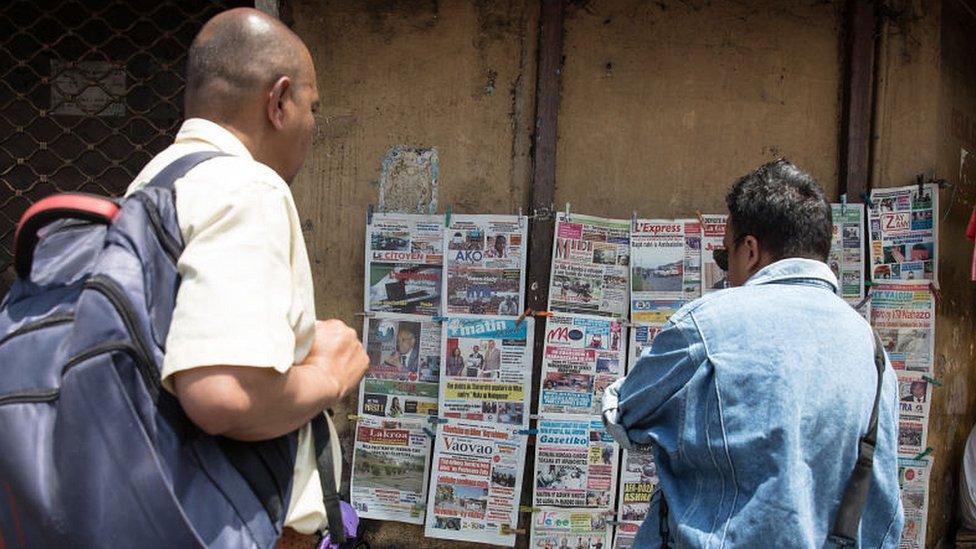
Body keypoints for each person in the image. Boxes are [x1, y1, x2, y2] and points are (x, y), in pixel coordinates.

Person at [124, 8, 369, 547]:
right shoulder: (245, 187)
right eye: (312, 107)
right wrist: (330, 373)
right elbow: (224, 395)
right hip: (240, 526)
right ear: (279, 102)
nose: (311, 125)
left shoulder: (151, 187)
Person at [602, 160, 902, 547]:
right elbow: (883, 500)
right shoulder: (872, 351)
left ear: (750, 250)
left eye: (725, 256)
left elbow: (626, 415)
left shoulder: (707, 325)